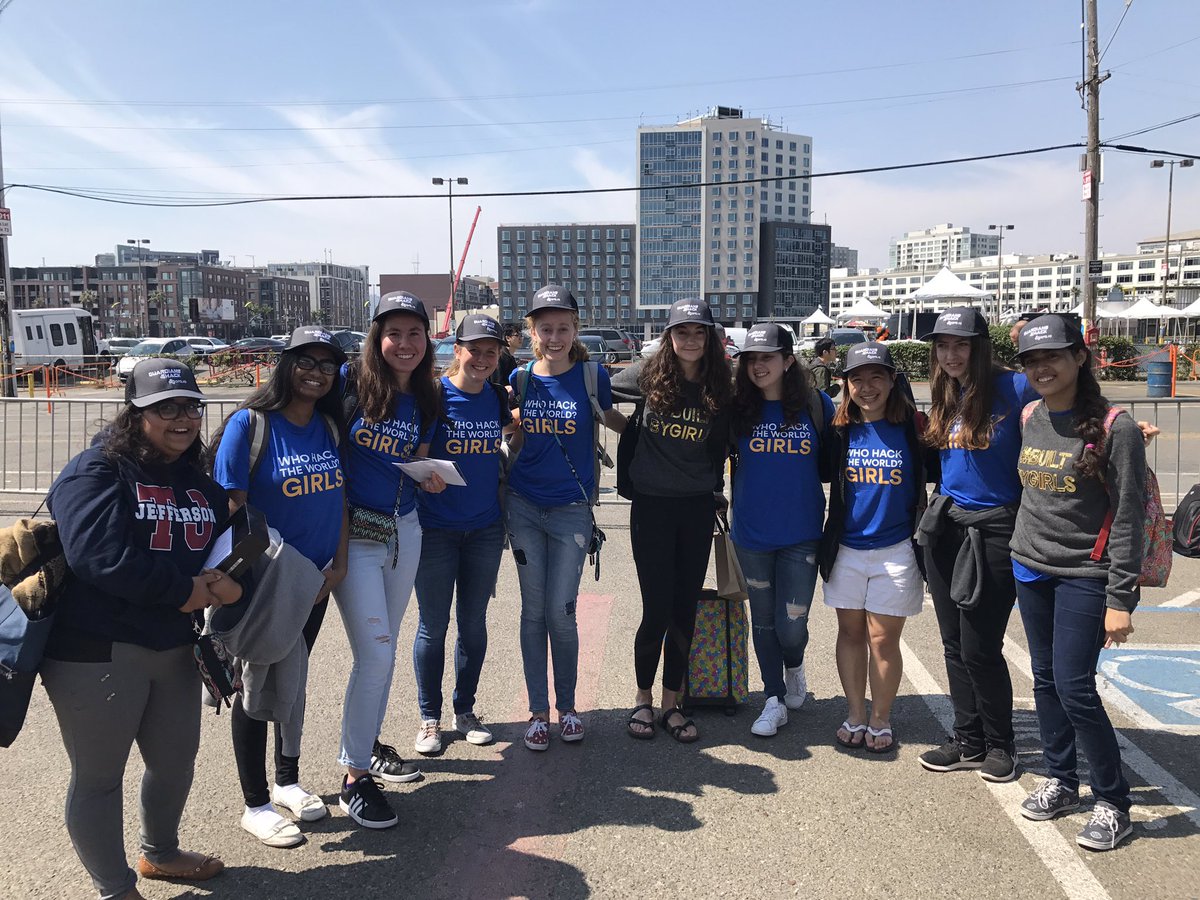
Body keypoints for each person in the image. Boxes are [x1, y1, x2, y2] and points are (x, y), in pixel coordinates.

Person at [44, 359, 238, 900]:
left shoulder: (199, 484)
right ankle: (115, 888)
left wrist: (228, 581)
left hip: (175, 646)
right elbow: (98, 557)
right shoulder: (98, 471)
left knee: (175, 762)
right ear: (137, 412)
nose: (183, 419)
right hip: (96, 648)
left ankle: (161, 853)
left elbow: (221, 550)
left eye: (191, 407)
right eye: (166, 408)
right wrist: (185, 591)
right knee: (100, 778)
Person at [211, 326, 349, 847]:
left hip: (313, 582)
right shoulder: (250, 425)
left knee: (291, 681)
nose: (316, 373)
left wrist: (335, 567)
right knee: (256, 685)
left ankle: (286, 780)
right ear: (285, 365)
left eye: (327, 365)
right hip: (266, 583)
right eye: (305, 362)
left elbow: (338, 501)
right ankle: (255, 803)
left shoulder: (329, 428)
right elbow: (232, 509)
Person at [1010, 315, 1142, 851]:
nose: (1042, 368)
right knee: (1044, 680)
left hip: (1086, 575)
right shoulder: (1028, 415)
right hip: (1030, 566)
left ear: (1079, 358)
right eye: (1032, 360)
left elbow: (1129, 517)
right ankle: (1062, 781)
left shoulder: (1118, 427)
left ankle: (1114, 801)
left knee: (1074, 686)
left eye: (1053, 357)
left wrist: (1121, 599)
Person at [333, 291, 445, 829]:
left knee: (386, 650)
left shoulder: (426, 398)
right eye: (393, 333)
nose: (404, 343)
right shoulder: (349, 386)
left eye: (414, 334)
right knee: (375, 655)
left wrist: (432, 474)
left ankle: (368, 748)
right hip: (354, 535)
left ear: (428, 340)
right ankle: (353, 776)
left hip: (405, 530)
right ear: (377, 339)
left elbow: (415, 458)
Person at [915, 307, 1037, 783]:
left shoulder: (1015, 387)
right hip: (947, 527)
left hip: (996, 530)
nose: (950, 355)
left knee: (980, 646)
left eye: (960, 345)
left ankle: (1001, 744)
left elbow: (1072, 413)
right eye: (942, 346)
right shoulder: (947, 392)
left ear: (980, 346)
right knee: (951, 643)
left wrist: (1116, 426)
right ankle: (968, 739)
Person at [505, 284, 626, 751]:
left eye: (562, 327)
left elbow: (613, 419)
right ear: (532, 332)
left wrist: (656, 431)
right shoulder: (520, 380)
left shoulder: (591, 376)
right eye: (544, 328)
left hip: (572, 509)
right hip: (523, 505)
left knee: (561, 612)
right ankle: (539, 713)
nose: (554, 337)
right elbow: (512, 436)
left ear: (576, 328)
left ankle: (568, 707)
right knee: (533, 611)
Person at [611, 298, 732, 743]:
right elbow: (597, 392)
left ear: (711, 338)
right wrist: (624, 428)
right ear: (670, 336)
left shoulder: (723, 384)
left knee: (685, 609)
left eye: (699, 332)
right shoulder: (647, 374)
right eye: (682, 332)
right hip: (652, 506)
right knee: (656, 608)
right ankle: (642, 698)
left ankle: (670, 703)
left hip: (697, 506)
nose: (690, 339)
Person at [819, 343, 932, 753]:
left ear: (892, 381)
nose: (866, 387)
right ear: (845, 385)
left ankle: (880, 719)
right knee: (849, 633)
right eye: (856, 379)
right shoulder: (838, 430)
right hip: (846, 548)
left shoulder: (915, 428)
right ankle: (854, 713)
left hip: (897, 549)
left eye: (876, 377)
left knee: (883, 640)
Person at [412, 314, 514, 754]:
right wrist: (424, 477)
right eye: (476, 350)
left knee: (473, 625)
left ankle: (465, 710)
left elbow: (512, 432)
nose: (484, 359)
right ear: (457, 350)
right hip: (436, 530)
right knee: (433, 628)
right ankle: (429, 717)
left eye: (492, 352)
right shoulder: (434, 396)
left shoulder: (494, 398)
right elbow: (416, 457)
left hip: (485, 528)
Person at [728, 322, 833, 738]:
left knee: (792, 625)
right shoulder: (738, 410)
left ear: (789, 361)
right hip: (752, 533)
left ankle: (795, 666)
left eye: (767, 357)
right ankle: (772, 698)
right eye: (752, 358)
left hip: (802, 532)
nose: (758, 366)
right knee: (764, 621)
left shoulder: (816, 405)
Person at [494, 323, 522, 388]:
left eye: (521, 335)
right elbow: (497, 382)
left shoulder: (510, 357)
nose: (520, 338)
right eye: (517, 335)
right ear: (508, 338)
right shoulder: (500, 356)